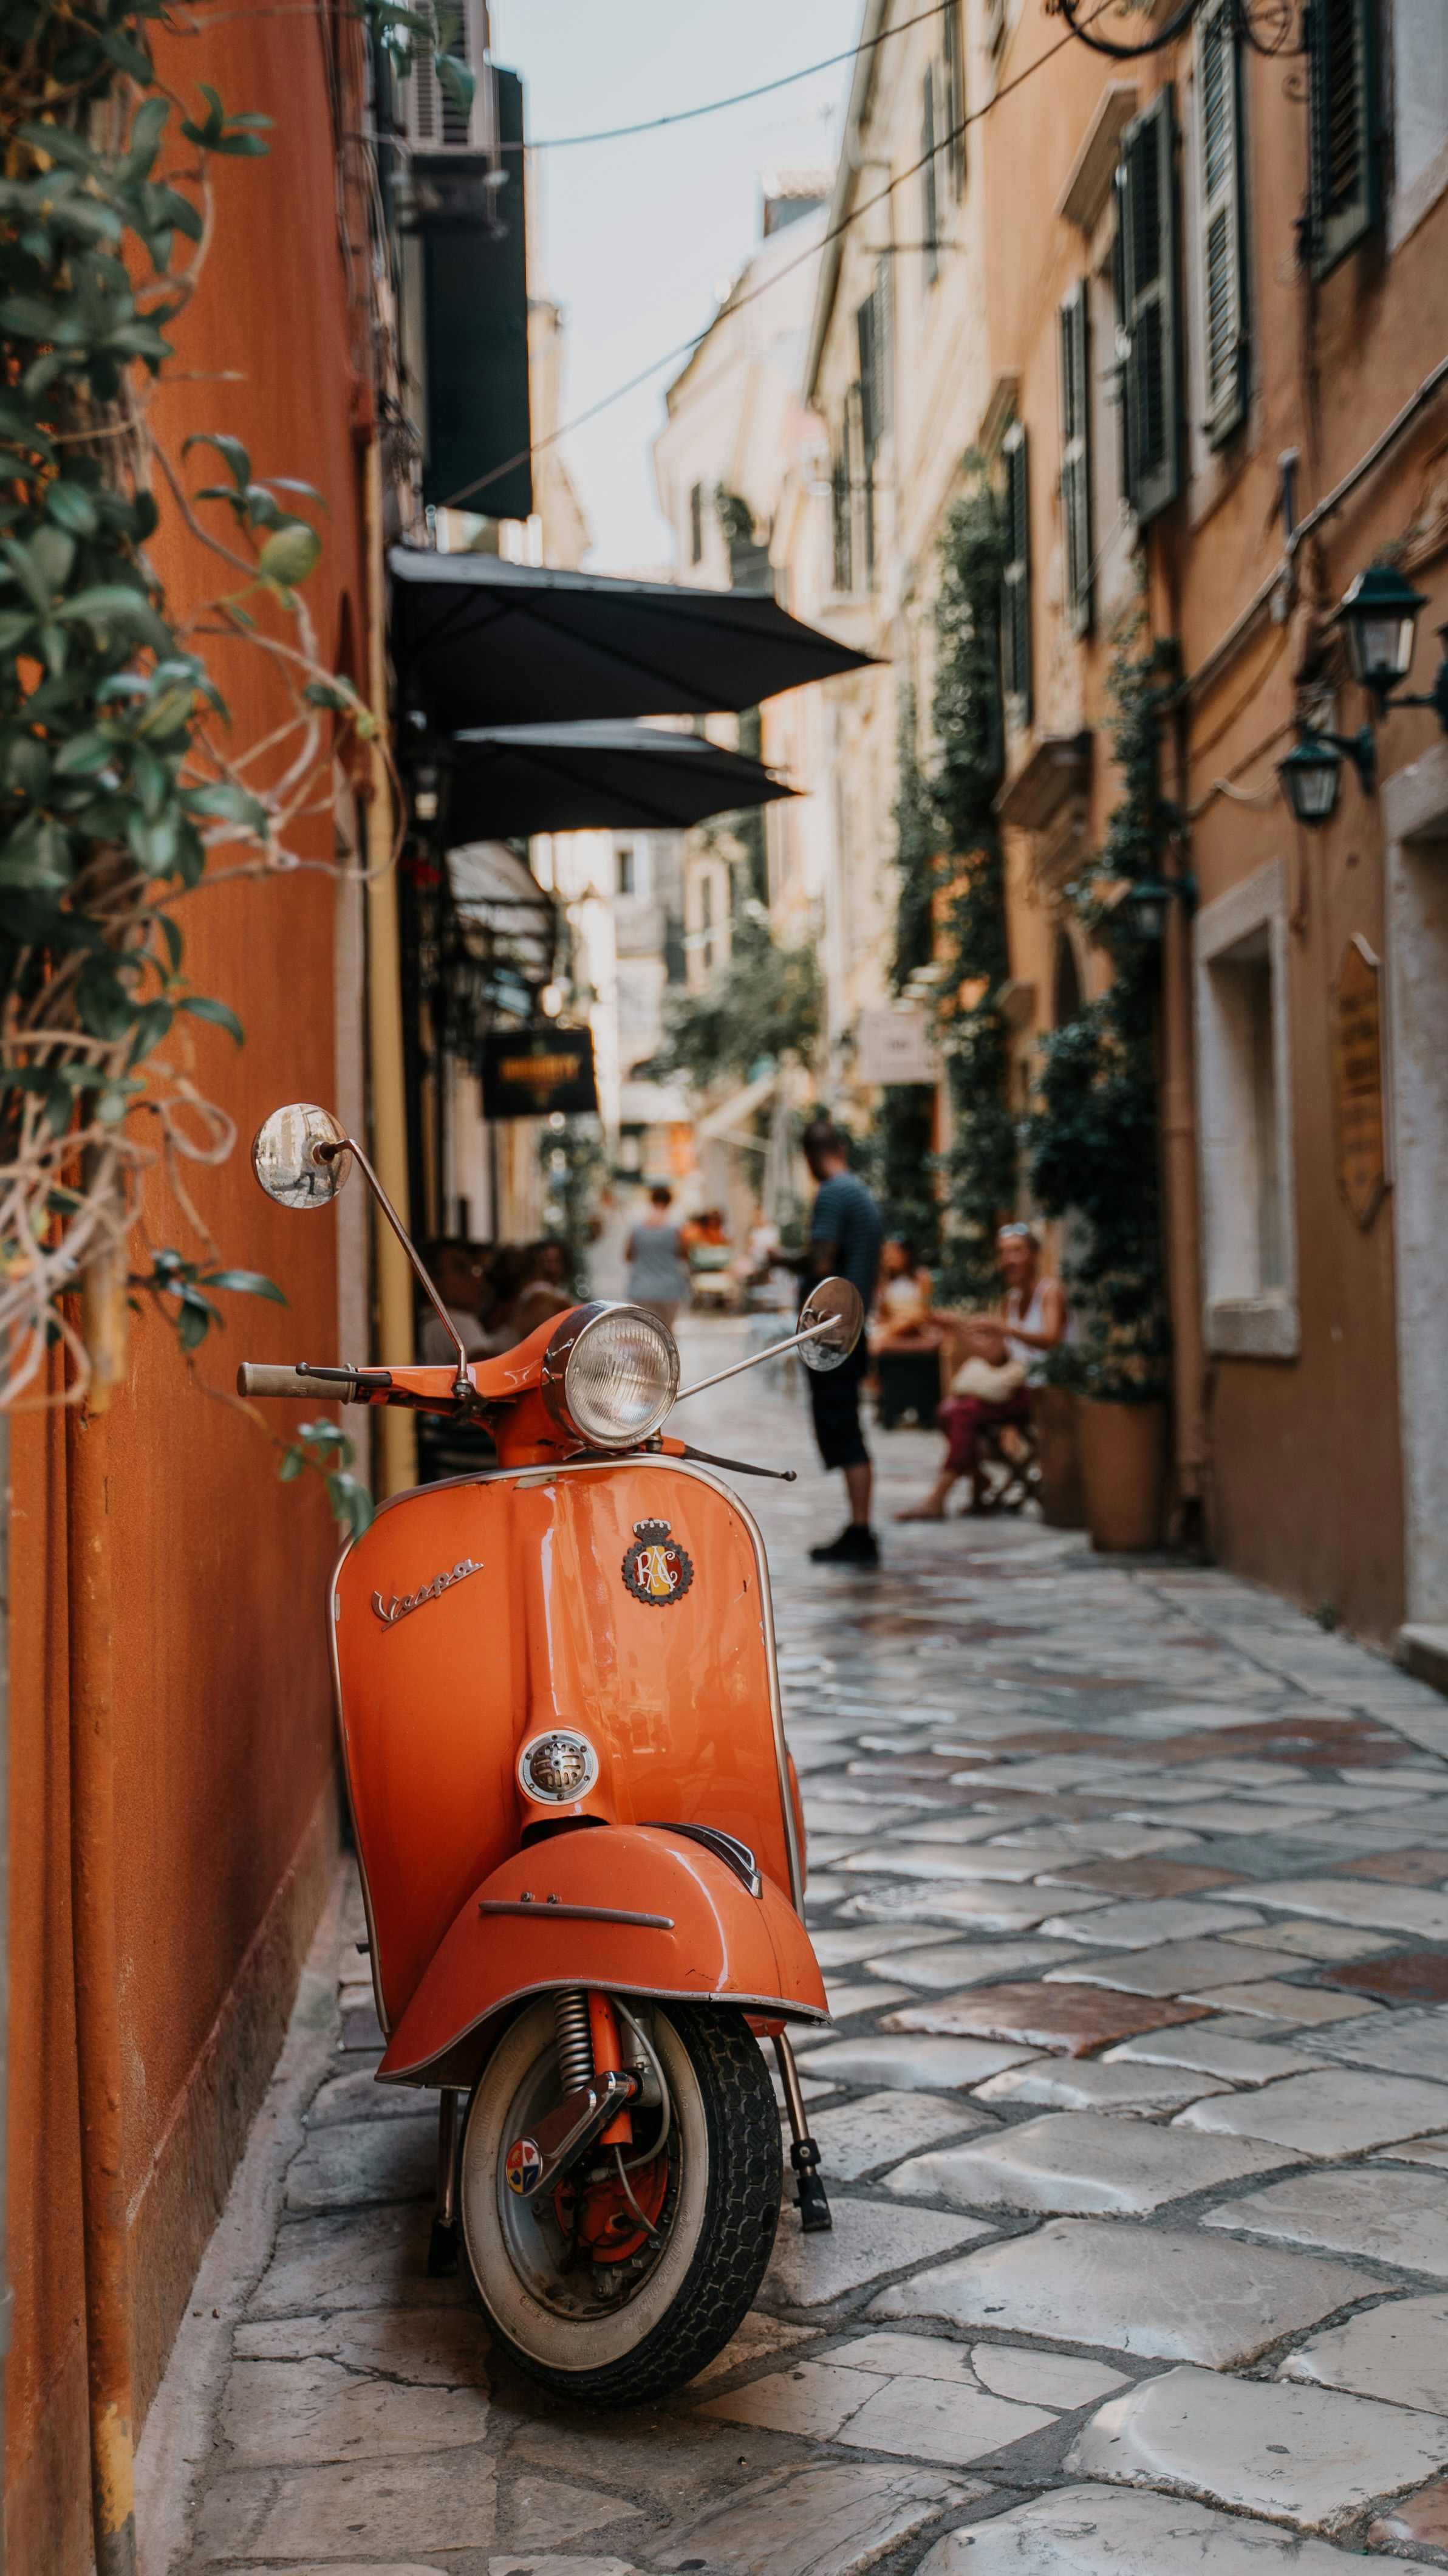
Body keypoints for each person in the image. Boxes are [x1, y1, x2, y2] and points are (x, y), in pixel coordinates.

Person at [898, 1221, 1066, 1521]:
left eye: (1016, 1251)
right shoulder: (1011, 1301)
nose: (1009, 1260)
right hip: (1017, 1388)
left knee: (963, 1413)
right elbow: (994, 1354)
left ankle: (939, 1499)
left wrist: (1006, 1329)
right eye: (1004, 1253)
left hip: (1046, 1392)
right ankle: (977, 1481)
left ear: (1034, 1255)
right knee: (948, 1410)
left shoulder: (1049, 1292)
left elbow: (1052, 1340)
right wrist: (956, 1328)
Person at [793, 1118, 884, 1566]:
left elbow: (821, 1258)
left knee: (844, 1432)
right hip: (855, 1328)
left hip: (834, 1335)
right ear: (842, 1147)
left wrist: (779, 1259)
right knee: (849, 1429)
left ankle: (862, 1531)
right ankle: (859, 1528)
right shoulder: (861, 1193)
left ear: (809, 1156)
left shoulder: (831, 1194)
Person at [625, 1184, 690, 1327]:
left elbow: (628, 1256)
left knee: (645, 1334)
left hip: (642, 1288)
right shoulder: (675, 1228)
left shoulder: (637, 1227)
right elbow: (685, 1256)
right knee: (667, 1334)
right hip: (669, 1289)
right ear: (669, 1203)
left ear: (651, 1201)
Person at [418, 1241, 491, 1365]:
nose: (476, 1278)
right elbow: (491, 1369)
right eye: (461, 1269)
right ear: (430, 1280)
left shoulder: (428, 1323)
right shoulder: (457, 1323)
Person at [869, 1238, 940, 1352]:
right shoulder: (885, 1280)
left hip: (915, 1322)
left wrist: (909, 1321)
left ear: (906, 1254)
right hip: (894, 1323)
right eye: (887, 1254)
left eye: (894, 1253)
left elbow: (926, 1308)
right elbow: (883, 1313)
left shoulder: (920, 1275)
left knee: (904, 1324)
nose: (890, 1258)